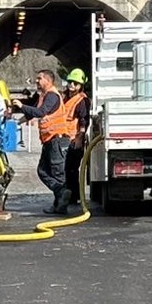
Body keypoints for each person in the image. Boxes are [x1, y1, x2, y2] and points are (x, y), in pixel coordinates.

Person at [15, 66, 88, 214]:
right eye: (70, 82)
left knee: (59, 173)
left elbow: (41, 112)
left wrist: (21, 106)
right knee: (43, 171)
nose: (36, 81)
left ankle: (61, 203)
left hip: (59, 140)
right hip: (50, 140)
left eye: (39, 78)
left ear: (47, 81)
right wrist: (15, 121)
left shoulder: (54, 96)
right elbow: (33, 112)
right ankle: (61, 197)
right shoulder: (47, 95)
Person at [58, 68, 92, 213]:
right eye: (70, 82)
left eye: (75, 83)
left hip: (74, 139)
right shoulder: (65, 97)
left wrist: (80, 138)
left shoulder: (82, 101)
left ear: (80, 86)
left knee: (72, 169)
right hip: (64, 138)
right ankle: (71, 195)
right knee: (66, 169)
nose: (72, 85)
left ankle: (74, 196)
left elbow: (84, 122)